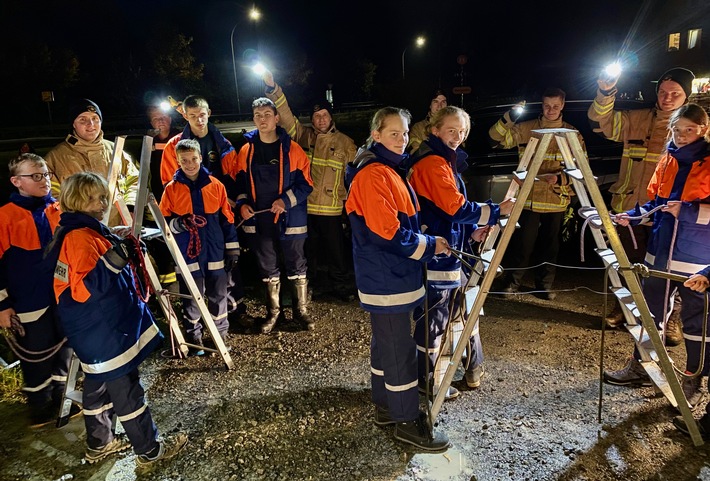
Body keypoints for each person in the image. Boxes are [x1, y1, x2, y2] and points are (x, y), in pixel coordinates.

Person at [47, 172, 187, 466]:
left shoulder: (75, 232)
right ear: (81, 200)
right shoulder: (80, 238)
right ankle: (149, 450)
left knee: (96, 389)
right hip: (104, 333)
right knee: (127, 391)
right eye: (97, 198)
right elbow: (87, 288)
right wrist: (116, 257)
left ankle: (100, 444)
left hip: (89, 334)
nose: (103, 203)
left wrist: (114, 241)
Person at [345, 106, 450, 452]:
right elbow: (387, 234)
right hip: (387, 277)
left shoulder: (388, 170)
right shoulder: (375, 174)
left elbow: (395, 225)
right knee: (398, 347)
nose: (402, 139)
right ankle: (406, 421)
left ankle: (386, 405)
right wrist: (429, 244)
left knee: (385, 343)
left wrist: (419, 232)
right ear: (376, 135)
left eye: (405, 133)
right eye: (394, 133)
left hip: (389, 276)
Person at [603, 104, 710, 409]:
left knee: (696, 324)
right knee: (649, 315)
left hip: (695, 259)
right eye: (677, 129)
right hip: (659, 254)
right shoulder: (668, 159)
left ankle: (694, 381)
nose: (681, 135)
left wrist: (688, 211)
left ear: (702, 129)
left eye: (689, 129)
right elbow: (656, 203)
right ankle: (642, 366)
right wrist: (633, 217)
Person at [408, 106, 516, 398]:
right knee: (434, 317)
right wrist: (496, 212)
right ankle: (426, 379)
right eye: (451, 130)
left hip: (449, 246)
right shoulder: (432, 163)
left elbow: (448, 211)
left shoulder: (444, 161)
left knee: (453, 313)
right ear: (436, 130)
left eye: (462, 131)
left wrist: (472, 232)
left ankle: (457, 369)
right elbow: (454, 207)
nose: (457, 136)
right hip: (437, 252)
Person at [588, 67, 694, 338]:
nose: (667, 98)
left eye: (675, 93)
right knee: (626, 263)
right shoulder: (637, 119)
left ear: (686, 96)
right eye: (662, 92)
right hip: (630, 208)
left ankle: (670, 321)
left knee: (668, 267)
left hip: (669, 213)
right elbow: (601, 121)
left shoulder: (693, 128)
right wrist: (605, 91)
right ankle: (622, 310)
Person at [261, 67, 358, 301]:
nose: (321, 120)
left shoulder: (346, 143)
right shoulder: (304, 136)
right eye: (316, 116)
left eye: (324, 115)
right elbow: (285, 116)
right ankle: (317, 286)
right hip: (307, 207)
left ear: (331, 117)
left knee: (336, 252)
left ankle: (342, 287)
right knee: (311, 251)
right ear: (311, 119)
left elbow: (355, 178)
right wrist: (274, 90)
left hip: (333, 209)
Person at [159, 95, 248, 322]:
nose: (199, 120)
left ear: (209, 113)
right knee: (194, 273)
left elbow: (235, 175)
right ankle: (196, 323)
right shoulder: (175, 146)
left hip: (218, 212)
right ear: (185, 116)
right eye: (193, 116)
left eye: (202, 115)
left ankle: (232, 312)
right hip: (190, 220)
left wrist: (231, 199)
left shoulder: (222, 143)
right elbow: (169, 183)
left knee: (226, 266)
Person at [489, 88, 583, 300]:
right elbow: (495, 139)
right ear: (542, 106)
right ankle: (512, 283)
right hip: (528, 198)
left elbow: (581, 167)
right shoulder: (525, 128)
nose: (551, 110)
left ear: (563, 106)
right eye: (547, 106)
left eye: (556, 106)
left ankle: (544, 286)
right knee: (522, 244)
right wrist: (510, 117)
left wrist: (560, 179)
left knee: (551, 246)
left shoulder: (572, 134)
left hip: (556, 199)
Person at [0, 153, 72, 426]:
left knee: (63, 350)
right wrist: (3, 306)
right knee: (37, 354)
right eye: (36, 176)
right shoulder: (5, 217)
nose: (44, 181)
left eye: (46, 175)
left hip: (61, 296)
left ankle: (62, 400)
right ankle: (39, 407)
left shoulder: (58, 209)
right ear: (17, 181)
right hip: (28, 301)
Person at [232, 98, 314, 333]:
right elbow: (239, 183)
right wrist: (243, 204)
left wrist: (285, 201)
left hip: (290, 218)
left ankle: (301, 312)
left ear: (277, 118)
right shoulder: (246, 151)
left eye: (267, 114)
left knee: (297, 264)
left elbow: (306, 184)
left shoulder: (292, 150)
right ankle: (274, 313)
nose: (262, 119)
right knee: (267, 266)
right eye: (257, 115)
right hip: (259, 219)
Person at [159, 139, 240, 353]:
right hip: (188, 253)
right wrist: (180, 223)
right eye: (184, 160)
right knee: (191, 297)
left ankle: (218, 337)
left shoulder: (216, 186)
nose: (190, 164)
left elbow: (227, 220)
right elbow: (163, 223)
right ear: (177, 162)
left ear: (200, 158)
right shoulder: (171, 190)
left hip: (214, 251)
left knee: (218, 294)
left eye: (194, 159)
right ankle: (195, 339)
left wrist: (232, 248)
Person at [44, 98, 139, 226]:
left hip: (119, 227)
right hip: (79, 230)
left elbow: (134, 181)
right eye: (83, 119)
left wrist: (130, 207)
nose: (91, 124)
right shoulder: (56, 157)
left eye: (95, 118)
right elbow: (50, 196)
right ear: (73, 124)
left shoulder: (116, 150)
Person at [146, 104, 182, 289]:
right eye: (156, 118)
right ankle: (169, 284)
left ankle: (185, 278)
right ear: (150, 122)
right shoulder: (147, 142)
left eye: (164, 117)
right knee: (161, 241)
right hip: (157, 201)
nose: (161, 121)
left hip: (179, 199)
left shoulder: (181, 138)